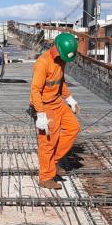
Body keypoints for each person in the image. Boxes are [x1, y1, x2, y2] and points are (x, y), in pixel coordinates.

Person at [31, 33, 81, 190]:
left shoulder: (62, 59)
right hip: (45, 105)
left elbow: (60, 82)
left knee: (73, 128)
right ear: (56, 48)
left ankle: (52, 162)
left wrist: (70, 99)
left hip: (58, 101)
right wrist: (40, 114)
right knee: (48, 142)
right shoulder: (43, 63)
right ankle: (45, 177)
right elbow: (35, 90)